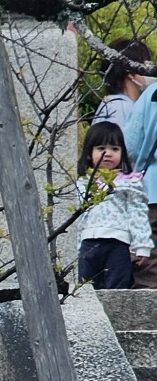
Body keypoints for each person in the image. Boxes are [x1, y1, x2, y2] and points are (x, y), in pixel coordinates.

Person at [77, 119, 153, 290]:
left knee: (117, 286)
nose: (108, 153)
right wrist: (77, 246)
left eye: (115, 149)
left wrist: (141, 246)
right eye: (101, 148)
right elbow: (78, 216)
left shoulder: (128, 183)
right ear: (89, 153)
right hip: (88, 242)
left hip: (118, 243)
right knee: (86, 287)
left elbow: (137, 213)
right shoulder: (83, 183)